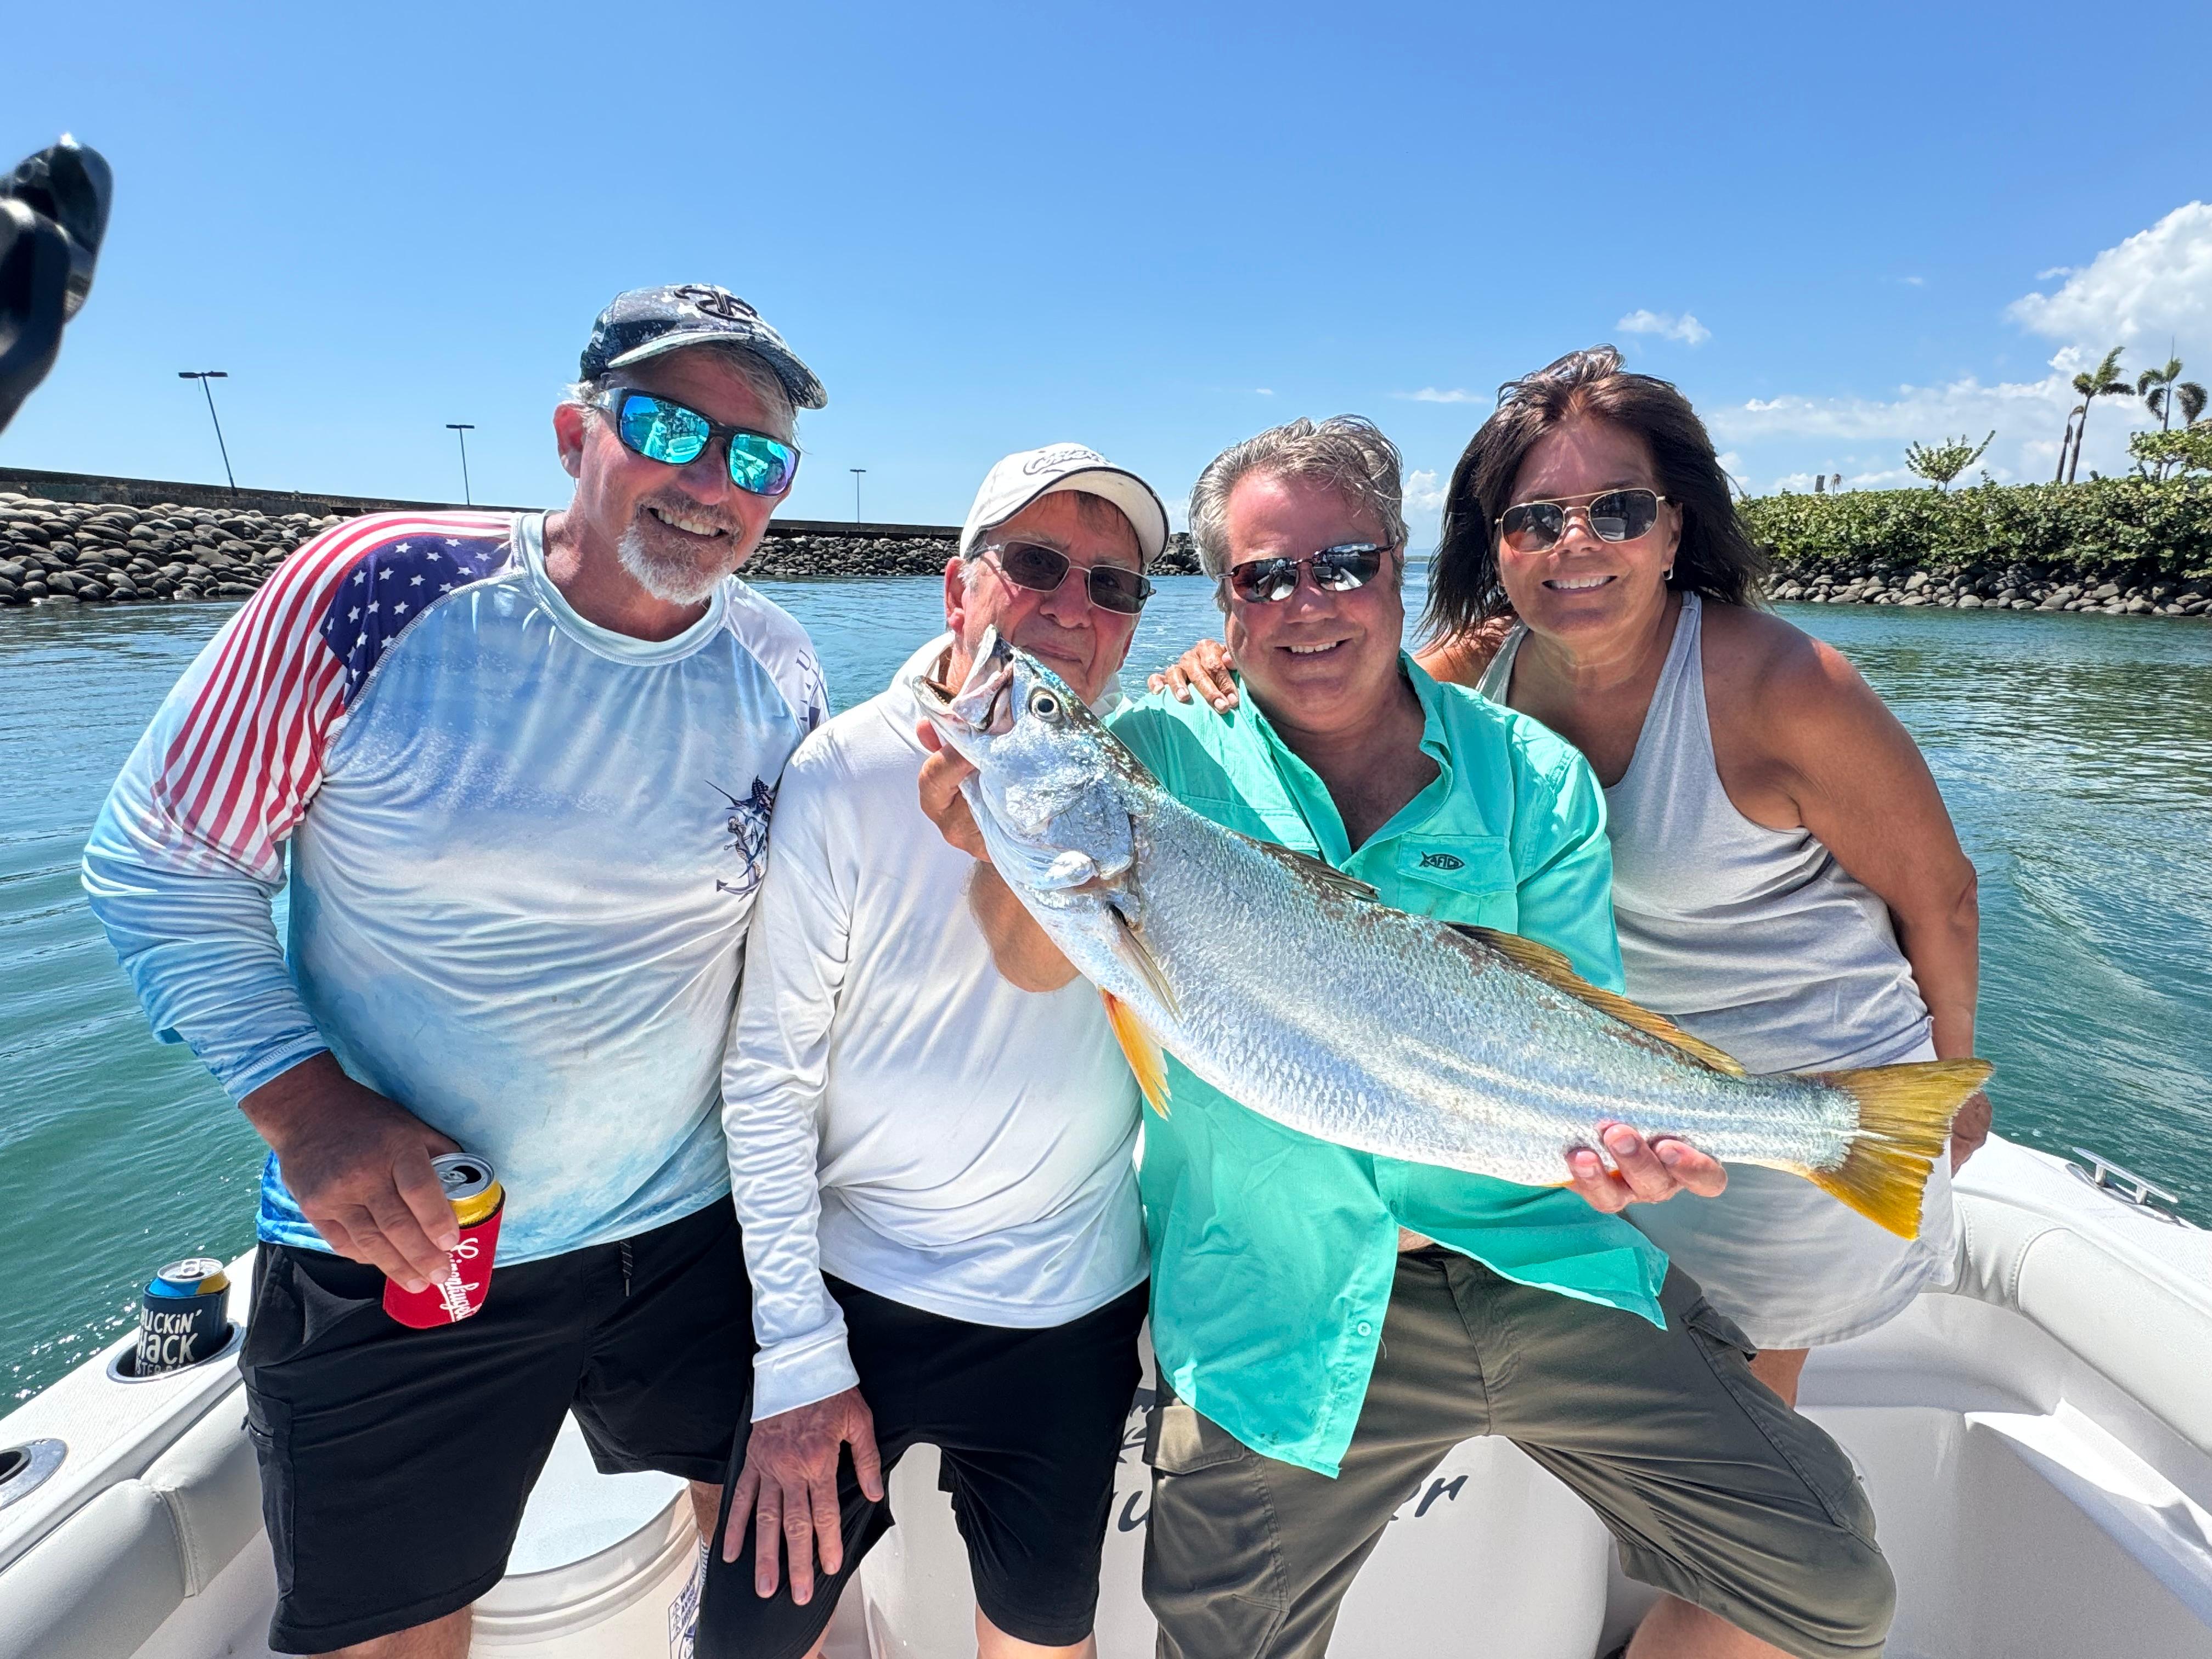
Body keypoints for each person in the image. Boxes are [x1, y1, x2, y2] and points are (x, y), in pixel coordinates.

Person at [934, 414, 1899, 1659]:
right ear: (1224, 603)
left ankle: (1828, 1129)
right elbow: (1032, 957)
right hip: (1281, 1296)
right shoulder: (1154, 758)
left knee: (1830, 1581)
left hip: (1538, 1261)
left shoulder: (1534, 775)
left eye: (1344, 565)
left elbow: (1583, 1016)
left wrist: (1631, 1153)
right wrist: (1000, 826)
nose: (1307, 604)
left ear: (1398, 567)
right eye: (1264, 577)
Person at [1155, 360, 1987, 1657]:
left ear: (1675, 524)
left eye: (1619, 510)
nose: (1576, 543)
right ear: (1494, 550)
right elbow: (1341, 669)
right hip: (1369, 1238)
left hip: (1665, 1165)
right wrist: (1216, 662)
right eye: (1536, 518)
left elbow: (1940, 894)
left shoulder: (1748, 694)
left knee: (1805, 1563)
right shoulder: (1439, 680)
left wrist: (1954, 1080)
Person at [82, 284, 831, 1659]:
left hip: (693, 1232)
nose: (712, 481)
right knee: (395, 1634)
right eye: (670, 426)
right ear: (575, 435)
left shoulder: (779, 666)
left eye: (758, 456)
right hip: (406, 1240)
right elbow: (164, 857)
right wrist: (306, 1110)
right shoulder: (375, 588)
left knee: (785, 1583)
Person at [699, 444, 1169, 1659]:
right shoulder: (844, 771)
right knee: (751, 1642)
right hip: (859, 1285)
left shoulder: (1157, 773)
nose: (1074, 605)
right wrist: (797, 1351)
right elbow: (769, 1076)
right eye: (1036, 564)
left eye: (1114, 584)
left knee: (1042, 1639)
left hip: (1070, 1299)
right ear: (959, 588)